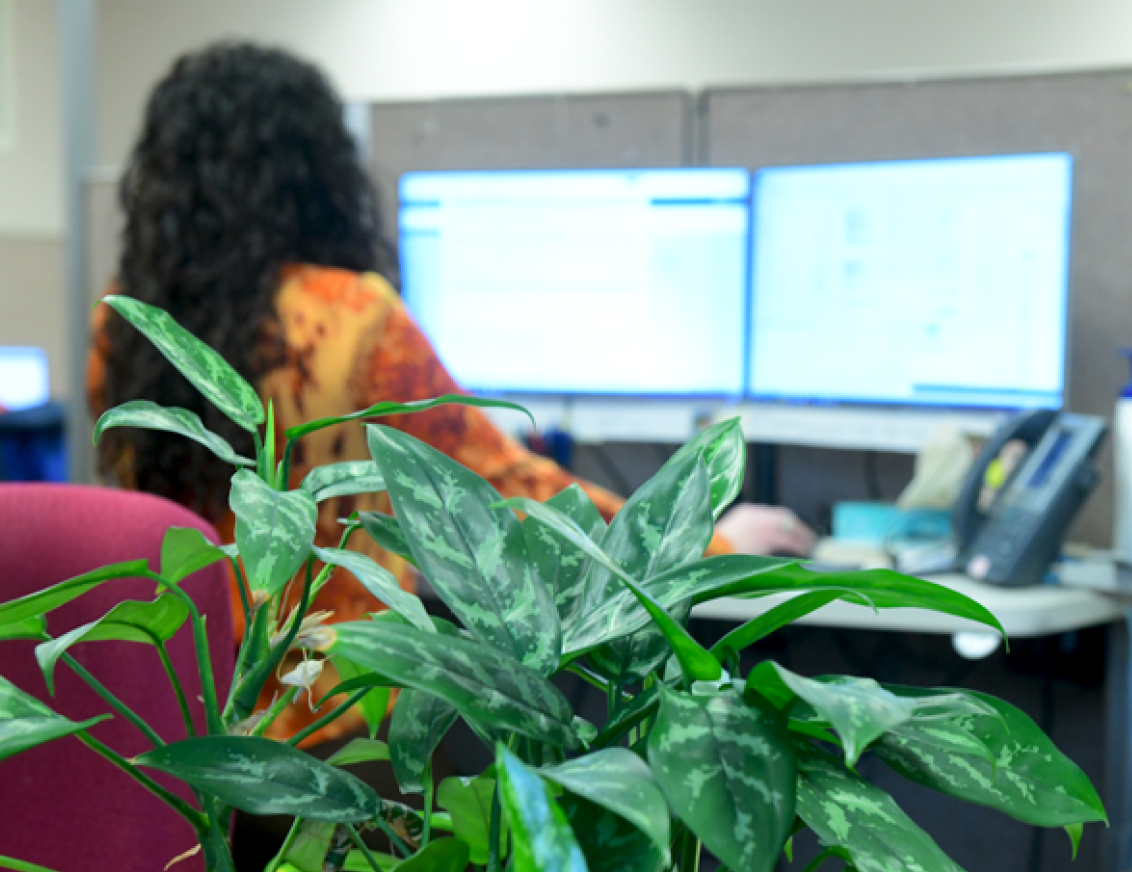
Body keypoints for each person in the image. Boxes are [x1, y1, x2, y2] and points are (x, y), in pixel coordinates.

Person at [88, 42, 814, 744]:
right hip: (330, 710)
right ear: (313, 171)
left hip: (182, 709)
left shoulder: (122, 324)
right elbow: (500, 491)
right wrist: (708, 543)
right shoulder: (353, 316)